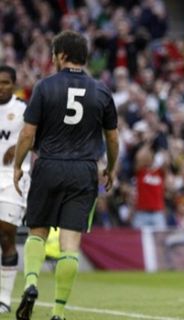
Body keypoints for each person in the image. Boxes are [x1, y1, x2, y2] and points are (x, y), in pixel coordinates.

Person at [13, 30, 119, 320]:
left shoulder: (45, 87)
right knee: (70, 245)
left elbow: (27, 134)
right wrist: (111, 167)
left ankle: (32, 283)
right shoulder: (101, 91)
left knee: (37, 231)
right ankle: (59, 312)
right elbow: (112, 138)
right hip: (84, 170)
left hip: (48, 165)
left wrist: (17, 165)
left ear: (61, 55)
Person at [0, 65, 30, 314]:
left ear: (14, 84)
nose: (1, 87)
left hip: (14, 177)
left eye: (5, 83)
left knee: (7, 233)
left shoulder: (23, 109)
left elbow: (39, 136)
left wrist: (20, 146)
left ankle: (4, 299)